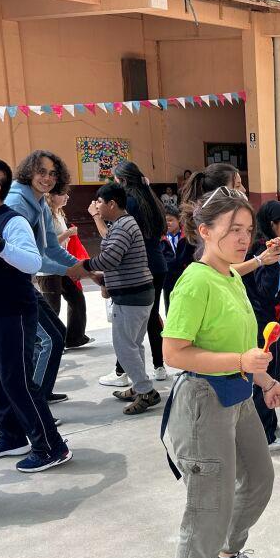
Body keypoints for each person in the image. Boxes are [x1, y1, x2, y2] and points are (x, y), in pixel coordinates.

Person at [161, 187, 280, 558]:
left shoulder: (228, 274)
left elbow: (241, 272)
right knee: (207, 507)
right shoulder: (195, 282)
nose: (242, 238)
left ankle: (227, 550)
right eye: (232, 230)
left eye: (248, 230)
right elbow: (174, 352)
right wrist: (241, 360)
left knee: (259, 478)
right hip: (203, 401)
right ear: (205, 230)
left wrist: (265, 382)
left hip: (239, 397)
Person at [0, 157, 72, 472]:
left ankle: (52, 446)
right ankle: (10, 436)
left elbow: (33, 262)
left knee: (18, 382)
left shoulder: (12, 221)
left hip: (13, 314)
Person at [6, 151, 79, 405]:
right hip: (9, 287)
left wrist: (81, 266)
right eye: (41, 172)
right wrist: (70, 270)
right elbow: (34, 257)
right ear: (28, 172)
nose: (47, 178)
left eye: (52, 173)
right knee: (47, 340)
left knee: (56, 335)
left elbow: (52, 249)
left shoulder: (40, 202)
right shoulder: (17, 203)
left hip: (26, 282)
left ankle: (40, 394)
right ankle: (34, 404)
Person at [82, 183, 160, 415]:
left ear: (111, 204)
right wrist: (101, 278)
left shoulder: (123, 225)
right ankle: (140, 386)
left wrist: (84, 267)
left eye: (99, 203)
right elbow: (113, 254)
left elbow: (110, 259)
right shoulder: (121, 224)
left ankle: (146, 392)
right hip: (136, 293)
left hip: (132, 296)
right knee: (133, 345)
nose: (97, 206)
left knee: (124, 347)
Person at [91, 161, 169, 385]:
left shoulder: (130, 204)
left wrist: (97, 218)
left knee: (128, 327)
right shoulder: (151, 198)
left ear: (123, 181)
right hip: (157, 264)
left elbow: (112, 239)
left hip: (137, 268)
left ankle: (121, 372)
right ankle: (159, 366)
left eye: (115, 179)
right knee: (151, 318)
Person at [242, 200, 280, 452]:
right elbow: (265, 291)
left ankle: (264, 426)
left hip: (258, 319)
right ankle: (266, 434)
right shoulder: (266, 251)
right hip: (263, 324)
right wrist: (273, 267)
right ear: (272, 225)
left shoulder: (258, 248)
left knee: (261, 375)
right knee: (267, 377)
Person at [179, 163, 280, 277]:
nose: (243, 189)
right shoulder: (204, 230)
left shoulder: (234, 282)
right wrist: (260, 260)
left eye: (249, 230)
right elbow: (216, 270)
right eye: (237, 186)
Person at [36, 180, 91, 349]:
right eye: (63, 194)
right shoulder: (44, 215)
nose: (67, 197)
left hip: (63, 267)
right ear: (51, 196)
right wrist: (67, 233)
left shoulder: (58, 212)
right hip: (48, 270)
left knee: (77, 299)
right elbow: (47, 246)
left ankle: (74, 337)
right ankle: (48, 343)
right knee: (52, 308)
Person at [161, 204, 196, 313]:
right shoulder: (161, 238)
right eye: (165, 221)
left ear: (178, 220)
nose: (168, 223)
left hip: (186, 277)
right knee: (170, 308)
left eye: (170, 220)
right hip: (168, 279)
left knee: (187, 306)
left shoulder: (187, 236)